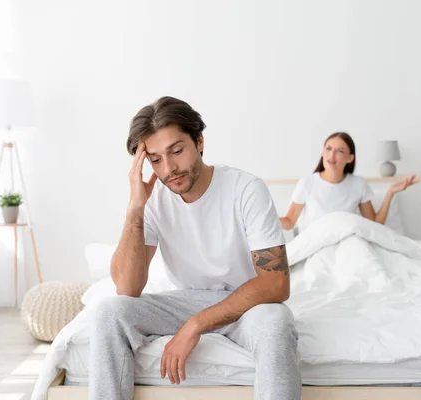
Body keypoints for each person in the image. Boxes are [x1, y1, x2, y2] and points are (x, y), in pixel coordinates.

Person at [89, 96, 302, 400]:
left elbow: (276, 283)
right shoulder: (151, 200)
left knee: (276, 322)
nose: (169, 168)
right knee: (109, 311)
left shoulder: (246, 189)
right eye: (156, 159)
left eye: (177, 151)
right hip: (186, 300)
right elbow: (127, 286)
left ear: (199, 142)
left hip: (248, 305)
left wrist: (196, 324)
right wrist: (135, 208)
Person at [280, 132, 416, 231]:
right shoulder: (307, 183)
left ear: (350, 158)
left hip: (348, 243)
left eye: (339, 151)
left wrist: (390, 193)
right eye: (328, 149)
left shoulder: (358, 184)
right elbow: (289, 222)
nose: (331, 155)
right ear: (322, 152)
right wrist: (263, 218)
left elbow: (374, 223)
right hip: (316, 244)